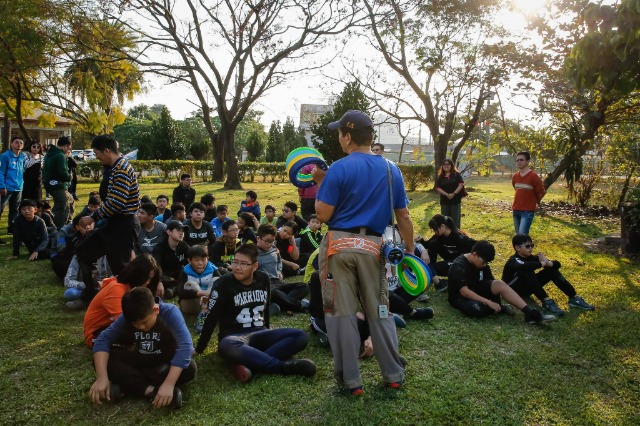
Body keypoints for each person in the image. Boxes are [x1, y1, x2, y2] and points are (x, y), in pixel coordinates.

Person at [312, 109, 412, 395]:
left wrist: (320, 183)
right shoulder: (392, 170)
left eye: (340, 134)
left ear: (347, 137)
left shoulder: (338, 168)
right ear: (371, 137)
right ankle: (393, 373)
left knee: (340, 313)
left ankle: (350, 381)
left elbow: (323, 213)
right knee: (380, 310)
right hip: (373, 247)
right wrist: (408, 249)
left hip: (338, 247)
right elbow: (403, 216)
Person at [194, 244, 316, 383]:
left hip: (260, 333)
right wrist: (200, 348)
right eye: (235, 262)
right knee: (227, 345)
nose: (237, 267)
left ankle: (251, 364)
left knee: (300, 336)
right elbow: (211, 317)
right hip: (235, 338)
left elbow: (265, 310)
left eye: (244, 264)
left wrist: (268, 330)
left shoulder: (263, 278)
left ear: (255, 266)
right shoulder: (223, 284)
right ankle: (283, 366)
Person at [89, 287, 196, 409]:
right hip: (140, 359)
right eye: (136, 324)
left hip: (165, 362)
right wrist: (102, 377)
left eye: (145, 322)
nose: (141, 327)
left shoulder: (170, 312)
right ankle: (150, 391)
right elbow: (103, 340)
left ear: (155, 310)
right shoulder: (126, 318)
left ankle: (128, 386)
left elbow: (185, 346)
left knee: (189, 368)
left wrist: (169, 383)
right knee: (103, 361)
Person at [67, 135, 140, 310]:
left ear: (107, 151)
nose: (96, 156)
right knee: (84, 252)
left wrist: (92, 217)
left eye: (97, 153)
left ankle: (132, 304)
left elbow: (117, 202)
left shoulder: (121, 168)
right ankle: (91, 295)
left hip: (124, 224)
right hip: (112, 222)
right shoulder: (113, 167)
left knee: (120, 269)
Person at [447, 240, 555, 323]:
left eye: (487, 263)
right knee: (476, 309)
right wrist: (488, 302)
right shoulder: (459, 265)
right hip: (461, 296)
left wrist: (494, 300)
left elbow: (492, 283)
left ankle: (529, 313)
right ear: (474, 254)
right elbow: (464, 291)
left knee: (499, 284)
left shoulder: (482, 265)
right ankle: (498, 308)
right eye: (484, 262)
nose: (485, 265)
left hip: (477, 288)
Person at [502, 234, 595, 316]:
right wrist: (542, 263)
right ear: (517, 248)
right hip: (512, 290)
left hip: (526, 288)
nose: (530, 248)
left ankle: (574, 298)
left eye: (532, 245)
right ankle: (546, 301)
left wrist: (548, 264)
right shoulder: (514, 260)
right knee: (527, 270)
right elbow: (524, 266)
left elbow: (557, 264)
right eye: (527, 246)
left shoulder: (530, 258)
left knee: (552, 270)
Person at [83, 254, 160, 348]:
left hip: (114, 326)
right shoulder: (116, 289)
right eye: (146, 277)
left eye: (151, 279)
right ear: (136, 273)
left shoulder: (132, 288)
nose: (148, 282)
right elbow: (126, 322)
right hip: (96, 334)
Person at [256, 224, 309, 314]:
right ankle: (299, 306)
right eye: (267, 241)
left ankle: (278, 304)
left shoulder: (274, 248)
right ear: (258, 238)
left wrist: (279, 271)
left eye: (272, 241)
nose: (270, 244)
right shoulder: (252, 253)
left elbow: (279, 260)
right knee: (273, 292)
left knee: (303, 286)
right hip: (264, 284)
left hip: (277, 281)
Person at [417, 214, 477, 293]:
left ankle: (437, 276)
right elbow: (428, 244)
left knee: (432, 268)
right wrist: (420, 240)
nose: (435, 232)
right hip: (451, 260)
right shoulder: (439, 236)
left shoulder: (459, 237)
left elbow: (477, 246)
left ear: (442, 226)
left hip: (461, 264)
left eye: (435, 229)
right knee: (433, 244)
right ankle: (432, 275)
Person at [176, 245, 220, 333]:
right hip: (192, 305)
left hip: (209, 303)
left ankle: (203, 314)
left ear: (207, 259)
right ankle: (204, 313)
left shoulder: (213, 269)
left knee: (217, 280)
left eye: (204, 260)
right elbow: (180, 292)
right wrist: (201, 293)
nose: (201, 263)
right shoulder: (185, 272)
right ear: (189, 260)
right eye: (196, 260)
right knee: (190, 284)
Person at [153, 220, 190, 299]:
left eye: (183, 231)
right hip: (164, 275)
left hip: (179, 274)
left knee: (186, 275)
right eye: (178, 230)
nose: (181, 233)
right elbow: (156, 266)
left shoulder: (184, 246)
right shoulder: (159, 247)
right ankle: (174, 289)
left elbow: (192, 260)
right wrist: (159, 282)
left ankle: (173, 290)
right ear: (169, 232)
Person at [512, 151, 546, 235]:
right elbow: (516, 189)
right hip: (516, 210)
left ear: (527, 161)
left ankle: (528, 247)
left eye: (521, 160)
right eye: (517, 160)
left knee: (522, 235)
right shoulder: (515, 176)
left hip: (527, 211)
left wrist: (537, 202)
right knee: (518, 237)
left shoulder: (533, 176)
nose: (519, 162)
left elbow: (541, 191)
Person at [42, 136, 72, 229]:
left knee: (70, 200)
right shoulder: (60, 155)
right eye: (69, 147)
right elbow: (62, 171)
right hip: (58, 185)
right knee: (62, 208)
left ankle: (68, 223)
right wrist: (69, 177)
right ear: (66, 146)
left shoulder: (49, 154)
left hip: (49, 183)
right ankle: (58, 229)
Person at [0, 136, 26, 236]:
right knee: (1, 208)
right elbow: (1, 172)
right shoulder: (5, 156)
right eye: (16, 142)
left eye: (21, 143)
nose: (19, 144)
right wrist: (2, 186)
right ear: (11, 144)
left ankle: (12, 228)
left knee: (15, 209)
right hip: (6, 188)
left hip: (18, 187)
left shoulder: (22, 156)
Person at [435, 159, 465, 229]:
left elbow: (461, 185)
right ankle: (446, 234)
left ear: (451, 165)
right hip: (445, 200)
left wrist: (453, 193)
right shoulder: (440, 176)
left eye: (448, 164)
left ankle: (456, 234)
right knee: (445, 219)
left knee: (455, 219)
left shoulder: (456, 174)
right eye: (444, 164)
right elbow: (438, 188)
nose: (446, 166)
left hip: (455, 200)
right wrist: (446, 194)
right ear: (442, 166)